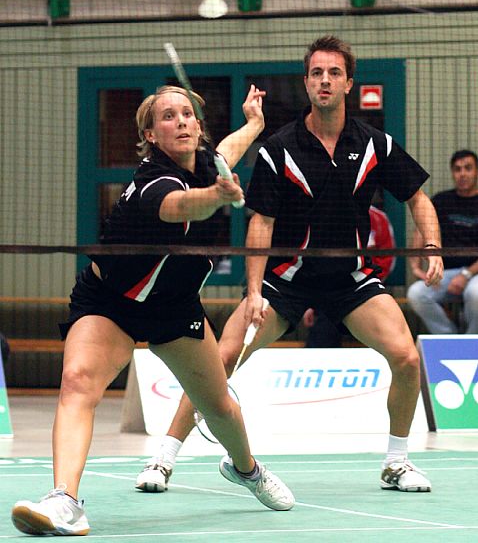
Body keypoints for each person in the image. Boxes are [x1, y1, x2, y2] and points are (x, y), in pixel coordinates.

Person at [135, 35, 443, 496]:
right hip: (285, 280)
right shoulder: (279, 147)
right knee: (218, 359)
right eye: (316, 73)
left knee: (405, 356)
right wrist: (255, 291)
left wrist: (432, 244)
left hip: (352, 278)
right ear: (306, 83)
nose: (325, 80)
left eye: (334, 73)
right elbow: (261, 223)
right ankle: (163, 459)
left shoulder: (376, 144)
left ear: (348, 83)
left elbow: (418, 198)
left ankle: (397, 463)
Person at [11, 84, 294, 537]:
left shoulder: (203, 161)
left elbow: (225, 151)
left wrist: (255, 125)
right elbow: (180, 206)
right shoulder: (153, 181)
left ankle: (247, 469)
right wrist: (217, 198)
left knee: (219, 405)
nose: (180, 121)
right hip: (110, 302)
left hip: (173, 306)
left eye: (187, 114)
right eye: (168, 116)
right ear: (150, 133)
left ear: (197, 127)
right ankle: (64, 499)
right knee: (77, 382)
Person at [304, 203, 396, 347]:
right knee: (326, 320)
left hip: (368, 286)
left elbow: (387, 258)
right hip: (332, 287)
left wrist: (367, 283)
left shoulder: (379, 218)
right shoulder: (326, 216)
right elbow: (316, 262)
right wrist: (310, 303)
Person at [407, 150, 478, 334]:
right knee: (416, 293)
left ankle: (472, 341)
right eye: (457, 169)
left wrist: (466, 275)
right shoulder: (441, 200)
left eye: (468, 168)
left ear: (476, 172)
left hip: (474, 273)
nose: (462, 174)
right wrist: (415, 267)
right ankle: (449, 338)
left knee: (475, 294)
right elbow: (420, 231)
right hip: (445, 274)